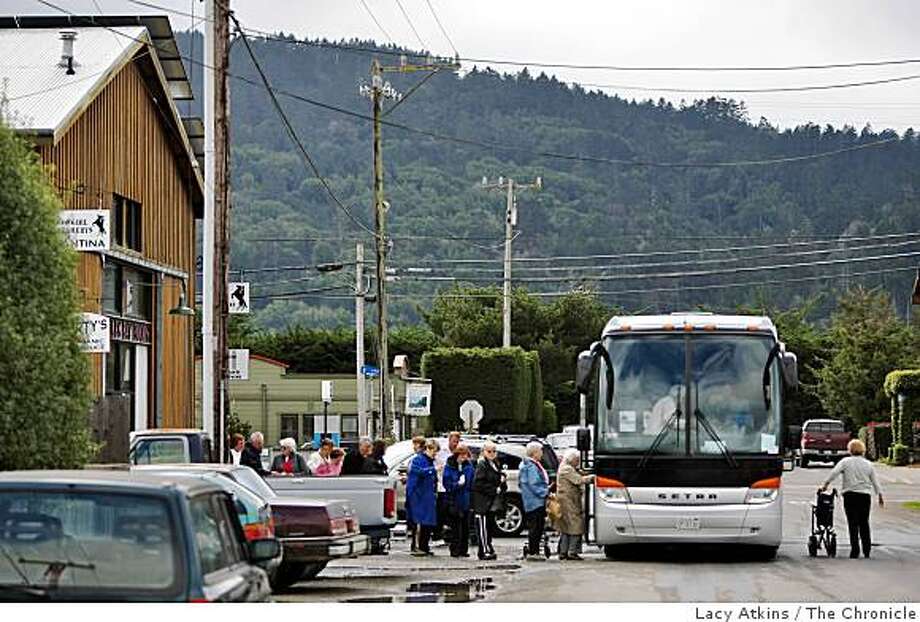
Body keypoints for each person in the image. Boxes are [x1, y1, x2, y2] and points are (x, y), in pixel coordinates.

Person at [820, 438, 884, 559]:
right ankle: (867, 549)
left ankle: (855, 549)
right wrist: (879, 494)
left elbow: (834, 472)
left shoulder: (845, 462)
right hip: (865, 495)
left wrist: (825, 484)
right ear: (862, 450)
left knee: (852, 523)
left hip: (850, 495)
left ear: (850, 449)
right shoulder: (868, 464)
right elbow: (875, 481)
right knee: (864, 522)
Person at [555, 449, 594, 560]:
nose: (578, 463)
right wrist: (592, 478)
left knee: (566, 527)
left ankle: (563, 552)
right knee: (576, 526)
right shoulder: (567, 469)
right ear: (572, 460)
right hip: (568, 502)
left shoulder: (565, 467)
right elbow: (578, 480)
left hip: (567, 501)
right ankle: (572, 552)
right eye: (577, 460)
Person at [471, 440, 505, 560]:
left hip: (490, 502)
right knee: (482, 528)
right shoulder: (482, 465)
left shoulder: (495, 463)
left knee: (489, 528)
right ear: (484, 452)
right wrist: (493, 489)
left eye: (494, 451)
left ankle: (488, 548)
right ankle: (484, 550)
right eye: (489, 451)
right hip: (482, 503)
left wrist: (502, 481)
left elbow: (497, 479)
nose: (492, 453)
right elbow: (477, 484)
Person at [406, 439, 440, 556]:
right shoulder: (418, 460)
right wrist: (433, 470)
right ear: (428, 449)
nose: (435, 454)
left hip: (427, 496)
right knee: (419, 521)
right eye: (434, 452)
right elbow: (418, 472)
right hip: (418, 496)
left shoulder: (429, 461)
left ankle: (424, 546)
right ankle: (416, 546)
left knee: (427, 523)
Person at [442, 443, 475, 558]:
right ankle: (455, 549)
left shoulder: (469, 466)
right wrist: (458, 484)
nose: (464, 458)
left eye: (465, 455)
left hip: (465, 500)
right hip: (454, 500)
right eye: (461, 455)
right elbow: (447, 484)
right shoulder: (449, 466)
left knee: (465, 527)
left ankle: (463, 549)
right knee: (456, 527)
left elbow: (471, 483)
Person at [519, 441, 550, 560]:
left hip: (532, 500)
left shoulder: (529, 465)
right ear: (535, 452)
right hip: (535, 501)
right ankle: (534, 551)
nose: (542, 453)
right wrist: (545, 492)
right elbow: (534, 484)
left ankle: (534, 550)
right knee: (536, 527)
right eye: (541, 451)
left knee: (536, 526)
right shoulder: (531, 466)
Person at [433, 431, 462, 540]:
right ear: (449, 440)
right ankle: (438, 534)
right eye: (454, 441)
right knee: (440, 512)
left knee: (451, 512)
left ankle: (448, 534)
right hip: (441, 485)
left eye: (457, 441)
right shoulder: (442, 451)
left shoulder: (458, 453)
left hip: (452, 486)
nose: (455, 444)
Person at [405, 435, 426, 551]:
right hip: (412, 491)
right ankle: (415, 544)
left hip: (415, 493)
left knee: (417, 520)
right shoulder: (415, 458)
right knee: (413, 521)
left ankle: (417, 544)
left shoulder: (419, 459)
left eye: (415, 444)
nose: (414, 447)